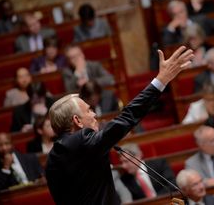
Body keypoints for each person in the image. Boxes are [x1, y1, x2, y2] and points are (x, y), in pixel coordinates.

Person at [45, 46, 193, 205]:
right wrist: (161, 80)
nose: (94, 115)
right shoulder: (81, 141)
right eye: (89, 111)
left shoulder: (55, 156)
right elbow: (126, 117)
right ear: (77, 121)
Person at [0, 133, 45, 201]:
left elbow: (43, 177)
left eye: (7, 143)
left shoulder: (31, 159)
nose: (4, 148)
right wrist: (6, 168)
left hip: (36, 196)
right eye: (0, 145)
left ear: (12, 144)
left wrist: (42, 180)